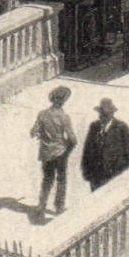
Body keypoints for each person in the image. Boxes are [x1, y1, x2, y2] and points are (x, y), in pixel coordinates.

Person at [31, 85, 77, 216]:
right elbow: (73, 139)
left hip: (46, 152)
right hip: (60, 152)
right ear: (63, 101)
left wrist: (42, 135)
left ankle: (41, 206)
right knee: (61, 179)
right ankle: (59, 207)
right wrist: (68, 150)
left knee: (47, 179)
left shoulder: (42, 114)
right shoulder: (64, 117)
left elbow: (33, 132)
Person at [82, 98, 129, 191]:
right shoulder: (94, 126)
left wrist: (122, 174)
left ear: (112, 114)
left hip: (114, 177)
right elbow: (87, 150)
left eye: (105, 115)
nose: (101, 117)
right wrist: (87, 172)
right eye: (101, 114)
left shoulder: (121, 127)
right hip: (96, 177)